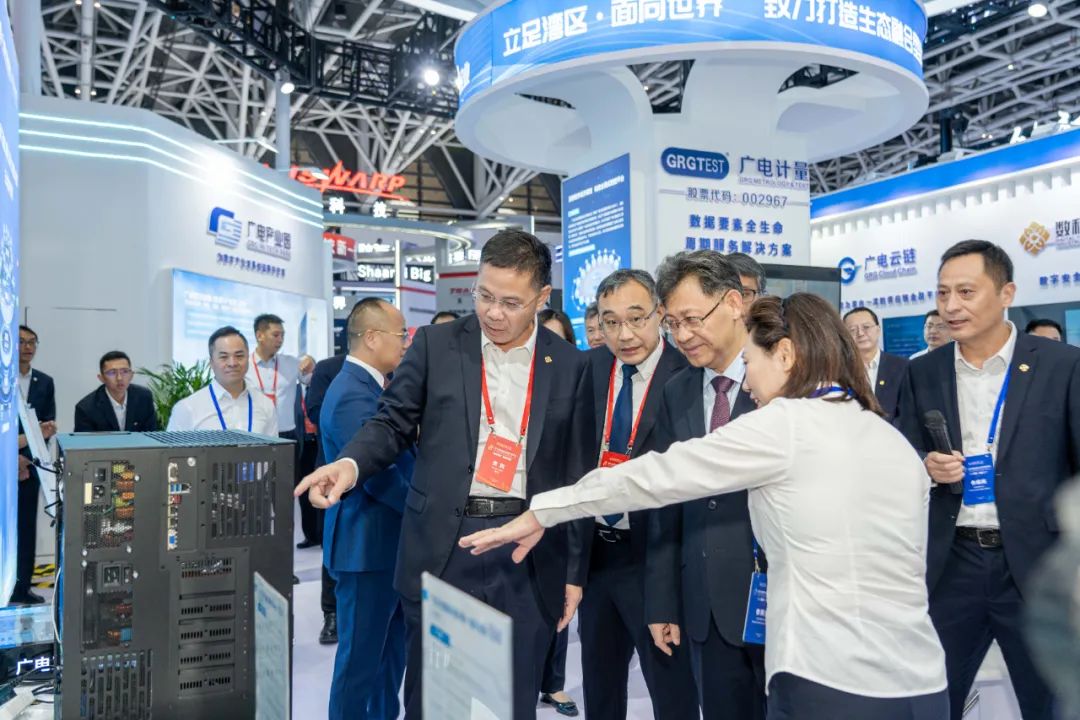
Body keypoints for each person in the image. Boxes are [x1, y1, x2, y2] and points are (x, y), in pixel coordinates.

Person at [461, 293, 950, 720]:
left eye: (750, 362)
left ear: (785, 355)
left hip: (830, 682)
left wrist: (543, 510)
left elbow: (657, 476)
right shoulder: (889, 439)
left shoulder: (786, 424)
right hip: (923, 683)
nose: (747, 383)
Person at [295, 229, 594, 720]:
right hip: (444, 543)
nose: (493, 313)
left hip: (528, 544)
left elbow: (577, 473)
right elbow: (391, 422)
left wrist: (575, 572)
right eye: (484, 295)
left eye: (511, 303)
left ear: (542, 297)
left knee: (511, 700)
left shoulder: (570, 365)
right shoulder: (436, 345)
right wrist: (350, 464)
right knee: (434, 699)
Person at [896, 240, 1080, 720]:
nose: (951, 306)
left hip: (1036, 566)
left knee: (1049, 701)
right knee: (933, 699)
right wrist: (924, 464)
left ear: (1006, 294)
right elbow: (901, 450)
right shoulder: (922, 372)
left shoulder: (1062, 365)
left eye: (966, 292)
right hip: (951, 564)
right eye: (942, 293)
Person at [645, 250, 765, 719]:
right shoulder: (676, 391)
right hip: (706, 604)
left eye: (692, 319)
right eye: (672, 324)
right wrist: (661, 602)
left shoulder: (784, 377)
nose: (682, 335)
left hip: (781, 599)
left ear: (734, 303)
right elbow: (665, 501)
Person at [573, 269, 697, 720]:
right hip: (597, 558)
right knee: (600, 688)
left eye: (636, 318)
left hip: (657, 558)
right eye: (610, 322)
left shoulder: (687, 374)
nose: (624, 335)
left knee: (672, 693)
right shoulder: (588, 369)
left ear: (660, 314)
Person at [321, 298, 415, 720]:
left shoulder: (374, 387)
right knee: (359, 664)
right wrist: (423, 511)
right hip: (365, 548)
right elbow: (376, 474)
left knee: (389, 657)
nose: (406, 343)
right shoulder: (351, 394)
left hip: (386, 545)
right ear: (372, 337)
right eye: (401, 334)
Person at [533, 305, 581, 717]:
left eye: (559, 340)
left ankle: (553, 682)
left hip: (563, 508)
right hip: (522, 510)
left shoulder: (578, 382)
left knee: (558, 602)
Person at [246, 314, 317, 546]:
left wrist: (311, 361)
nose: (280, 340)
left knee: (286, 497)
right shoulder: (244, 366)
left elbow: (310, 377)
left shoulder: (290, 363)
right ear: (259, 335)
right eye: (276, 335)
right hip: (256, 438)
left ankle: (284, 553)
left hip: (287, 438)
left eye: (282, 335)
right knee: (256, 494)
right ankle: (257, 546)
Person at [11, 325, 56, 606]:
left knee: (27, 527)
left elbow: (47, 426)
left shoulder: (44, 382)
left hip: (29, 467)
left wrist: (26, 458)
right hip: (5, 465)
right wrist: (10, 458)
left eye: (32, 342)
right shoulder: (4, 378)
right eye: (21, 341)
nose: (27, 347)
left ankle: (22, 587)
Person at [306, 350, 348, 645]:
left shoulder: (391, 370)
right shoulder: (328, 369)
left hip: (380, 470)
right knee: (333, 544)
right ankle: (331, 613)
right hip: (332, 469)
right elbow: (315, 413)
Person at [167, 325, 278, 435]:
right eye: (224, 357)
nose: (232, 363)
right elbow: (174, 447)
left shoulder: (265, 405)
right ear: (211, 363)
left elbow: (274, 446)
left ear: (248, 359)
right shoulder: (187, 408)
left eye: (239, 356)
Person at [843, 306, 908, 418]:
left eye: (866, 327)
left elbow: (908, 412)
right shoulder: (839, 371)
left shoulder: (902, 366)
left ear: (878, 330)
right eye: (852, 330)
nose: (860, 333)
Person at [74, 351, 158, 432]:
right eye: (112, 373)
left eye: (125, 371)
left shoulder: (144, 398)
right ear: (101, 378)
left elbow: (151, 434)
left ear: (131, 375)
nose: (119, 378)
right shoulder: (86, 408)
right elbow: (84, 441)